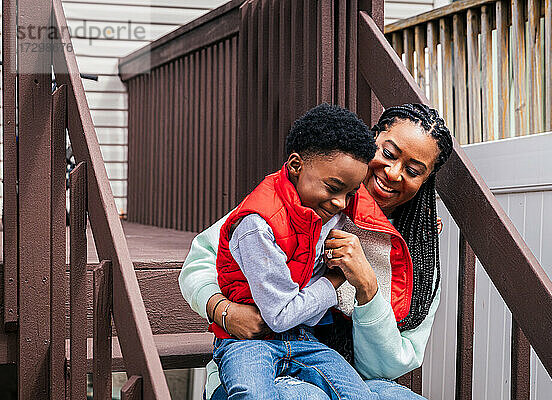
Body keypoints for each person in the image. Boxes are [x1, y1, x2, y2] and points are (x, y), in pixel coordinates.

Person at [179, 103, 453, 400]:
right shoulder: (299, 197)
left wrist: (367, 287)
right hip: (260, 361)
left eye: (413, 171)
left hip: (346, 373)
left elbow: (386, 367)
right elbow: (202, 258)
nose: (393, 172)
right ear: (370, 140)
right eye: (387, 153)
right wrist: (223, 310)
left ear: (425, 182)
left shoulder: (418, 254)